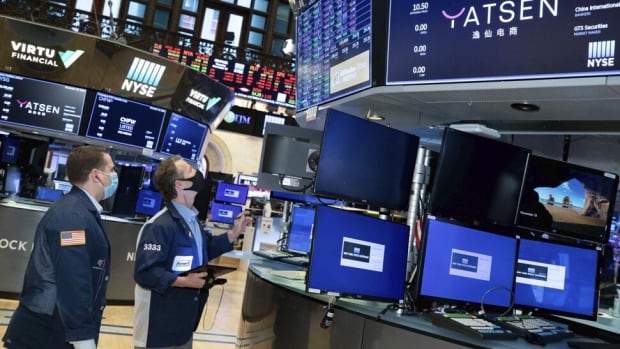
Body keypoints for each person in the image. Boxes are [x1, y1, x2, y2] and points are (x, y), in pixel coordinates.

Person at [2, 146, 118, 349]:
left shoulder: (80, 210)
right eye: (112, 169)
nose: (114, 175)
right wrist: (83, 339)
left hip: (55, 328)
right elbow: (72, 278)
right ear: (96, 175)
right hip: (46, 332)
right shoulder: (72, 216)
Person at [133, 155, 251, 349]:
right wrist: (183, 281)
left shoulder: (192, 220)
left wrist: (234, 233)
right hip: (159, 328)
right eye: (190, 171)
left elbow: (206, 248)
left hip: (184, 324)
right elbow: (145, 272)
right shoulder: (159, 226)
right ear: (180, 184)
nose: (197, 174)